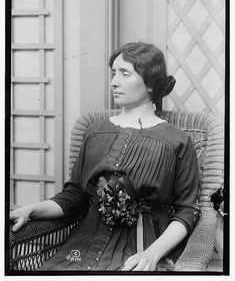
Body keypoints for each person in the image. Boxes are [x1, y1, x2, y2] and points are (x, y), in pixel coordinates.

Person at [10, 42, 201, 271]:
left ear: (151, 83)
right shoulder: (94, 131)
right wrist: (30, 209)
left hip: (144, 246)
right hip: (84, 243)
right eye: (113, 73)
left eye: (124, 74)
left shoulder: (176, 140)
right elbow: (74, 196)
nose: (114, 82)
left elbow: (187, 209)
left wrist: (151, 255)